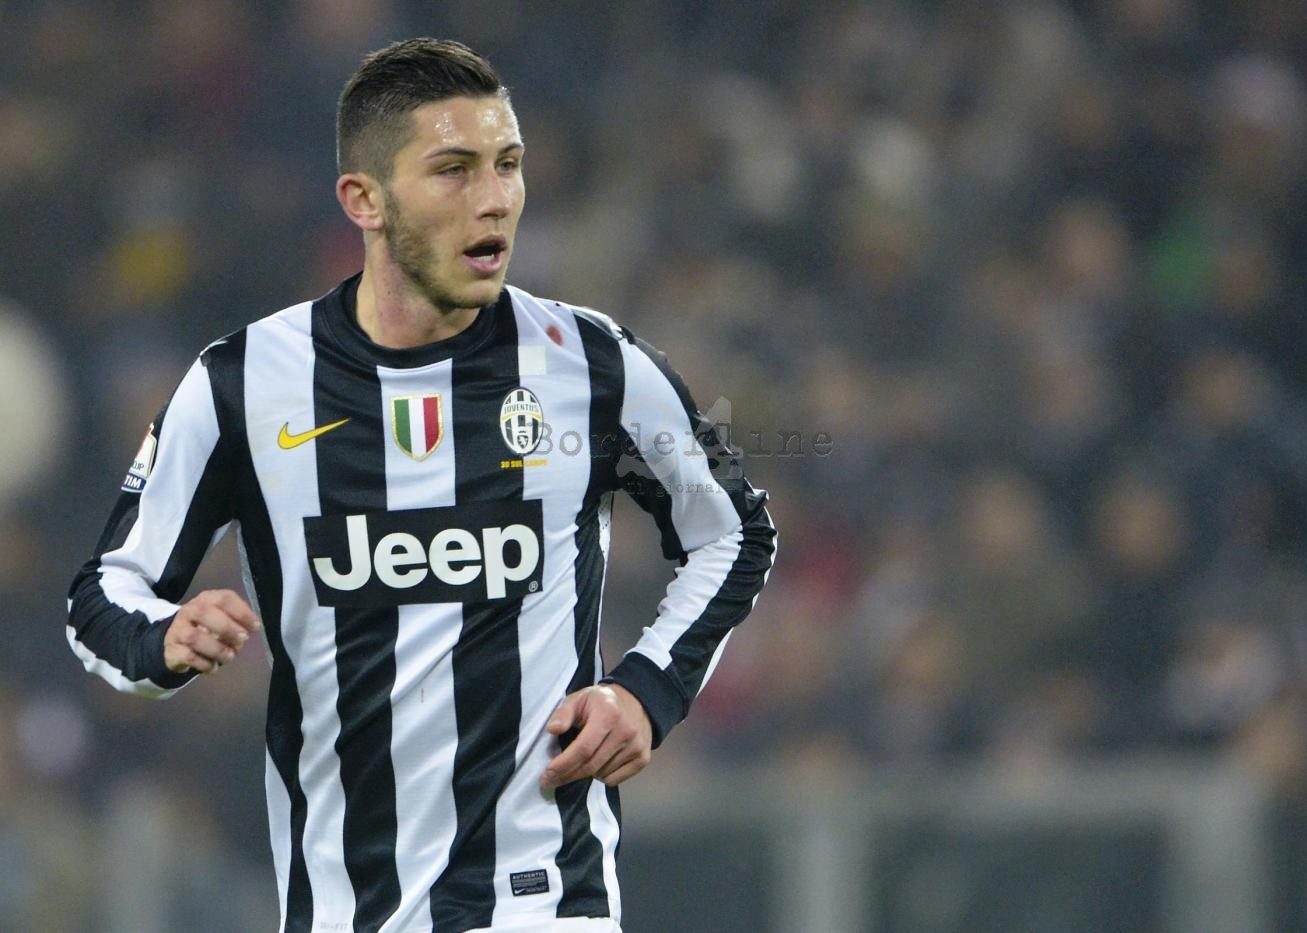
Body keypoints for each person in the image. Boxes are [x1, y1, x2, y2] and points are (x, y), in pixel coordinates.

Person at [66, 38, 776, 933]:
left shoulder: (589, 362)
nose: (495, 197)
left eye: (508, 164)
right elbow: (104, 591)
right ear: (364, 200)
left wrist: (646, 687)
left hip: (544, 901)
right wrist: (165, 640)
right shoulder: (243, 386)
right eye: (454, 170)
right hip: (342, 911)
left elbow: (733, 530)